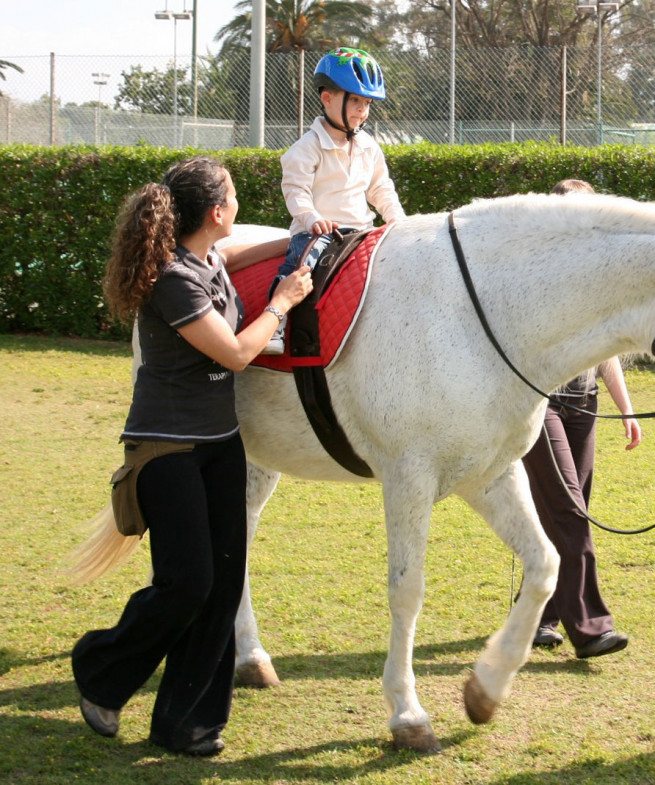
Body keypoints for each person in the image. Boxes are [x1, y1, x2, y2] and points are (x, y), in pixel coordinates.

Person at [72, 156, 313, 756]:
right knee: (187, 584)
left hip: (220, 447)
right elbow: (233, 353)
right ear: (215, 211)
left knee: (222, 585)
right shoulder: (172, 279)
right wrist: (280, 303)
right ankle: (100, 668)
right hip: (167, 452)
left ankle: (188, 724)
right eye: (233, 197)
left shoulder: (206, 259)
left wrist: (302, 237)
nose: (238, 204)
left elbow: (229, 260)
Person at [520, 178, 643, 659]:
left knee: (568, 512)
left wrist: (626, 408)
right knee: (572, 514)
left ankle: (533, 616)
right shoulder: (536, 272)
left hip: (584, 403)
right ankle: (591, 627)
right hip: (541, 402)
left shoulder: (600, 275)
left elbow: (607, 351)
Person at [264, 46, 406, 355]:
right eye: (355, 99)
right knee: (301, 264)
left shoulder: (369, 146)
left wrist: (398, 220)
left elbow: (381, 188)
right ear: (327, 98)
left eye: (367, 102)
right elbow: (295, 189)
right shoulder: (307, 147)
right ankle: (276, 324)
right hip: (320, 232)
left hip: (362, 231)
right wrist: (312, 218)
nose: (362, 110)